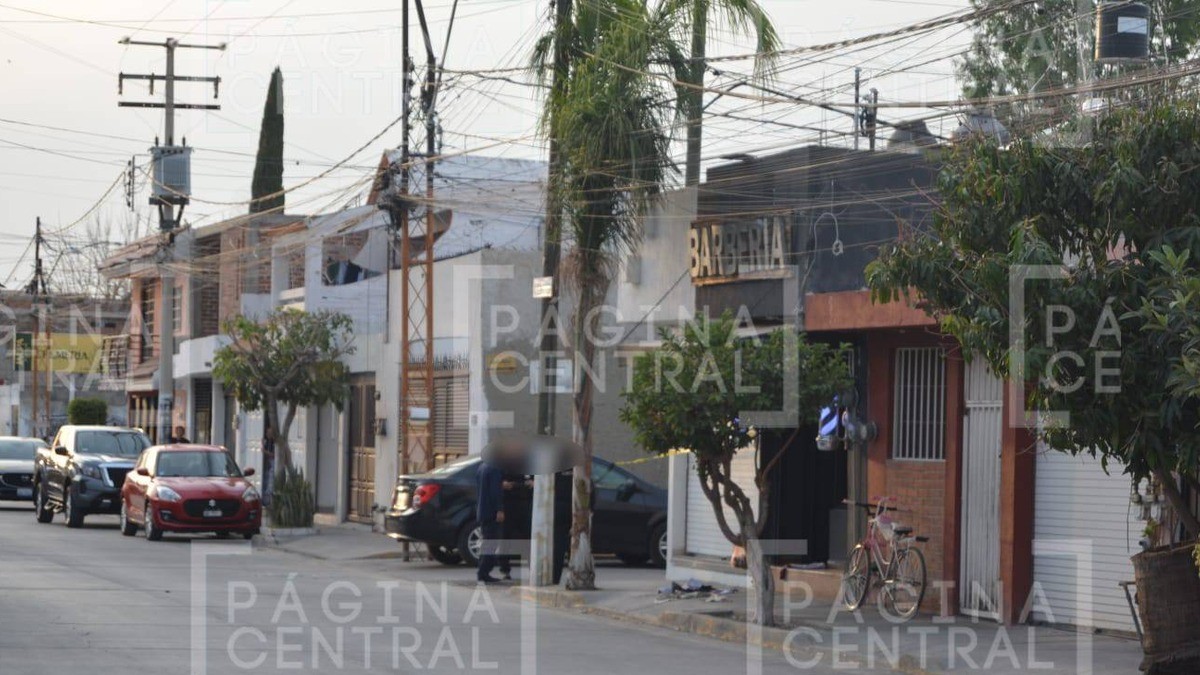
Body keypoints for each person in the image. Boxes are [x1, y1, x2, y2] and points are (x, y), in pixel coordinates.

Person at [476, 458, 506, 584]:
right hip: (491, 512)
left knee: (487, 542)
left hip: (483, 510)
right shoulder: (495, 469)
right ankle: (484, 571)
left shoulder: (482, 467)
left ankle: (482, 571)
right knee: (491, 542)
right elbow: (495, 491)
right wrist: (499, 509)